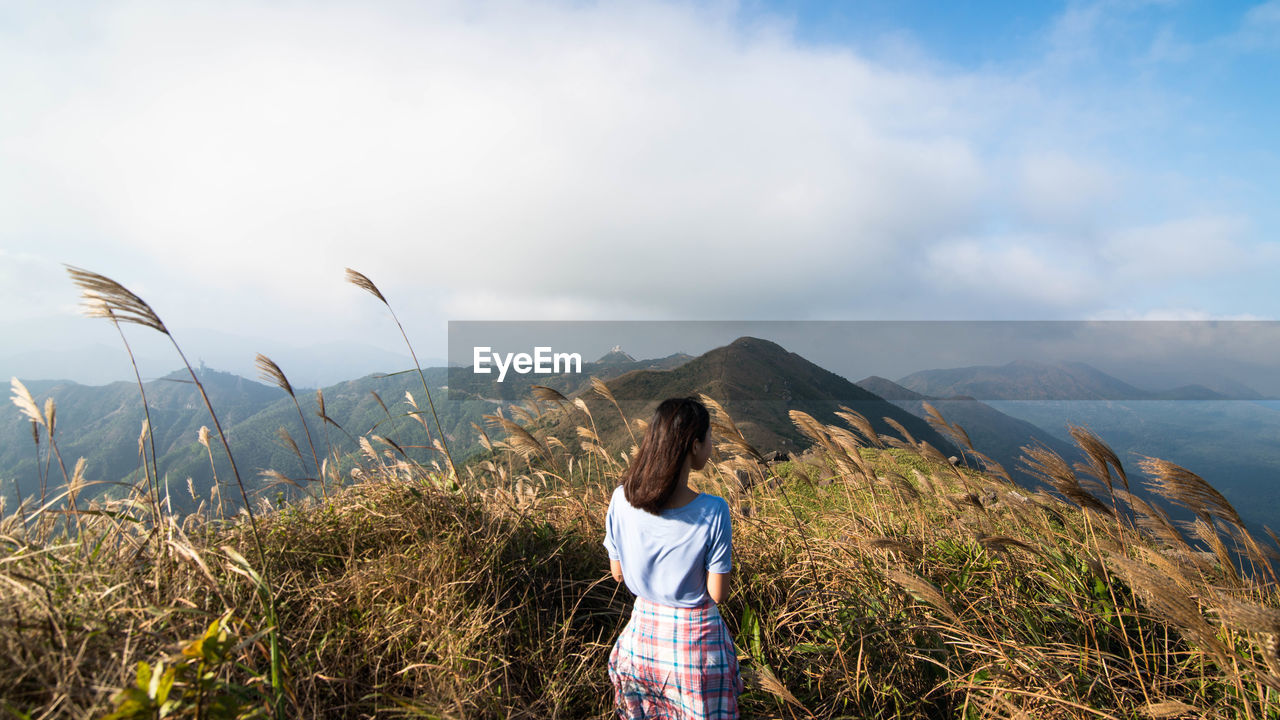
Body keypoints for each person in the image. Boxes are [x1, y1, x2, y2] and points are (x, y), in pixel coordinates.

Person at [603, 396, 745, 719]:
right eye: (709, 437)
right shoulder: (714, 511)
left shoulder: (620, 499)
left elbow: (617, 573)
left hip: (641, 643)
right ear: (695, 446)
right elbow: (718, 594)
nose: (711, 443)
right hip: (695, 651)